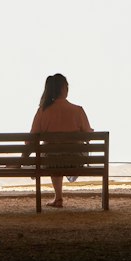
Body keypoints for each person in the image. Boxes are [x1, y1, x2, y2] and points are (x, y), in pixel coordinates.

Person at [29, 73, 92, 208]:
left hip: (50, 162)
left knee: (54, 156)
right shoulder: (77, 110)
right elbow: (88, 136)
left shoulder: (42, 112)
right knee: (61, 155)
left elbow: (31, 139)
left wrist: (22, 158)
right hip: (75, 160)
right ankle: (58, 198)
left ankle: (58, 198)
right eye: (67, 85)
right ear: (63, 88)